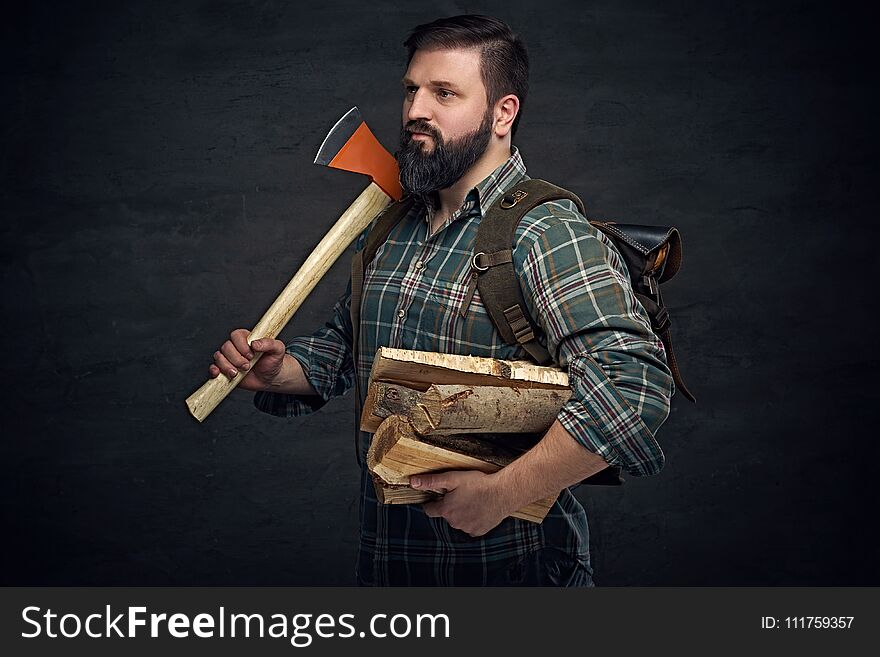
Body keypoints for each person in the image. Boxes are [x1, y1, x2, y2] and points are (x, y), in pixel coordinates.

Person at [209, 14, 674, 586]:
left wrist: (502, 494)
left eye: (445, 93)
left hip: (512, 575)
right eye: (411, 90)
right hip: (390, 565)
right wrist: (284, 372)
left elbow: (634, 390)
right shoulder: (394, 223)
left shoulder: (544, 233)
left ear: (504, 113)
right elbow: (347, 348)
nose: (415, 111)